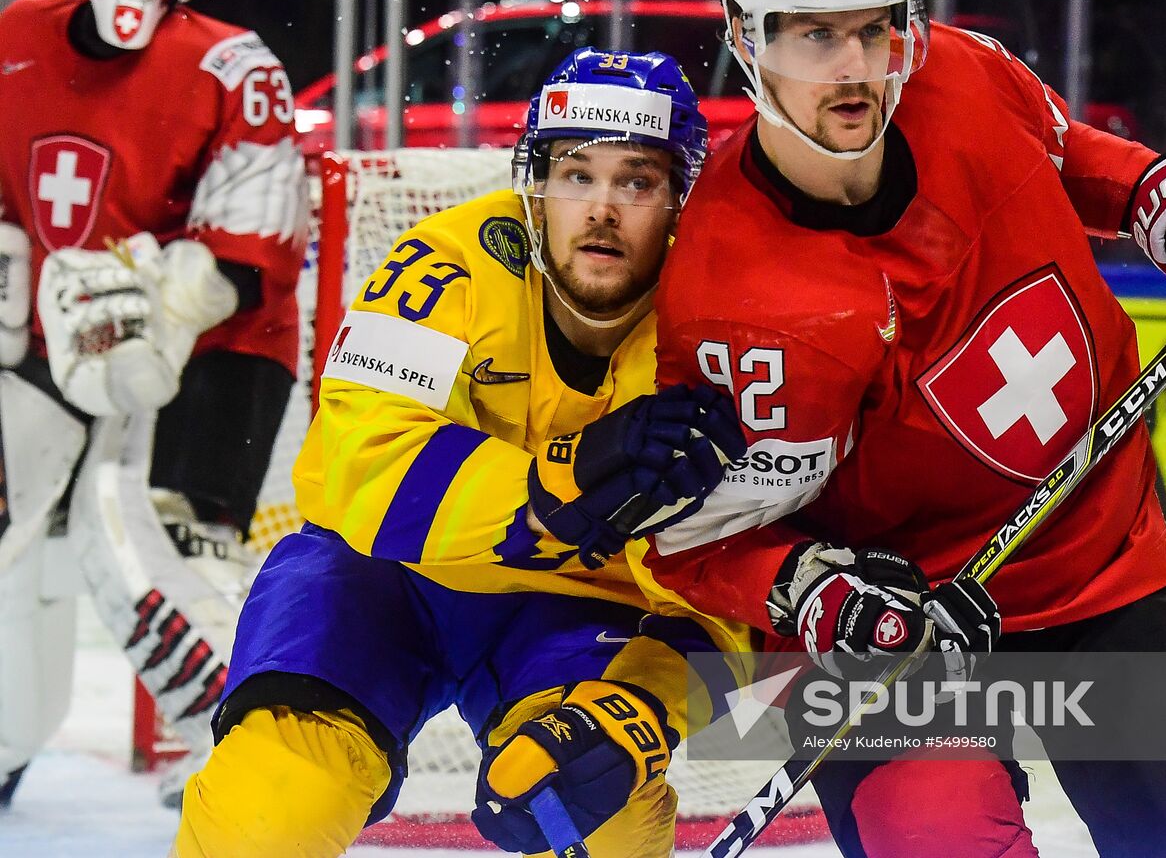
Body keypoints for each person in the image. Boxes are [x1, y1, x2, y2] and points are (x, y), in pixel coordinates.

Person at [644, 0, 1166, 858]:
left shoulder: (959, 72)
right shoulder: (728, 292)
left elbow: (1067, 155)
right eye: (814, 32)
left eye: (875, 25)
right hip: (902, 632)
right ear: (745, 33)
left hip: (1096, 564)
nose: (855, 66)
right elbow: (694, 536)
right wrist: (816, 590)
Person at [171, 47, 749, 858]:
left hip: (582, 606)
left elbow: (742, 580)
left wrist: (645, 708)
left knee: (595, 806)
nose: (602, 210)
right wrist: (558, 483)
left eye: (637, 181)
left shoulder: (730, 330)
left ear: (680, 201)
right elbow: (354, 455)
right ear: (535, 182)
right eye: (577, 174)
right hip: (387, 577)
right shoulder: (444, 260)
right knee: (269, 804)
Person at [0, 0, 305, 807]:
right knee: (11, 538)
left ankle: (244, 746)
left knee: (157, 544)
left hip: (217, 340)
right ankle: (7, 740)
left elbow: (250, 242)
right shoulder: (14, 38)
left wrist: (152, 321)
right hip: (52, 332)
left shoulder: (233, 64)